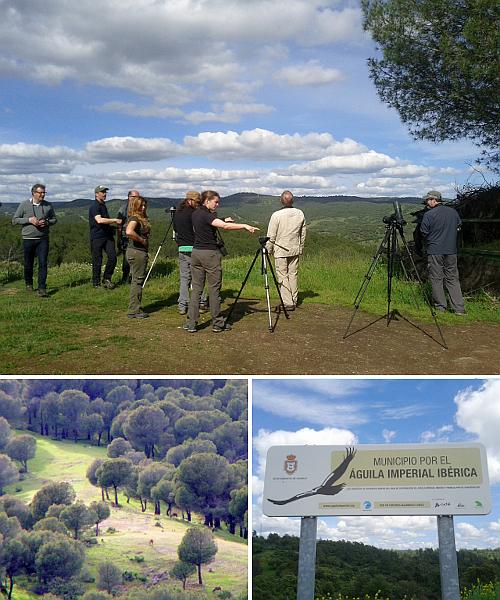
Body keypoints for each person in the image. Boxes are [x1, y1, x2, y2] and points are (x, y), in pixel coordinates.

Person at [184, 190, 259, 333]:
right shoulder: (207, 215)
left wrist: (223, 219)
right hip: (210, 254)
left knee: (196, 289)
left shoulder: (195, 214)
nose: (217, 205)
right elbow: (223, 226)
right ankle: (218, 323)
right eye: (215, 202)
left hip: (196, 253)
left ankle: (191, 322)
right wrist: (244, 226)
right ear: (207, 201)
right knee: (214, 289)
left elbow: (209, 223)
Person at [420, 190, 465, 315]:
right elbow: (459, 226)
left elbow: (423, 232)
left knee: (436, 278)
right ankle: (459, 308)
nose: (426, 203)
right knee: (452, 278)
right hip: (451, 250)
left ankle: (441, 307)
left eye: (428, 200)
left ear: (434, 200)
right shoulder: (453, 212)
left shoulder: (429, 215)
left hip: (435, 250)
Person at [12, 183, 57, 297]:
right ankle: (29, 283)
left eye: (44, 192)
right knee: (28, 263)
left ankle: (42, 288)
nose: (43, 195)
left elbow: (54, 219)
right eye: (40, 192)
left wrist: (46, 222)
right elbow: (15, 220)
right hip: (28, 239)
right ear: (33, 193)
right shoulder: (24, 204)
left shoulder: (48, 205)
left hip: (43, 239)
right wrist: (29, 220)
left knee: (43, 263)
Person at [266, 190, 306, 311]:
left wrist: (268, 249)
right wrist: (301, 247)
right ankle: (294, 299)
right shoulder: (300, 213)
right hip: (294, 248)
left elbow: (271, 235)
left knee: (282, 275)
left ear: (281, 201)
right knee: (293, 274)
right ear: (292, 201)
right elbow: (303, 233)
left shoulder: (276, 215)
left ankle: (288, 302)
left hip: (280, 250)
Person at [173, 191, 208, 315]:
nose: (198, 204)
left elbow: (175, 229)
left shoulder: (177, 213)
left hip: (182, 248)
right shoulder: (194, 213)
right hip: (195, 247)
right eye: (197, 202)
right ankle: (201, 302)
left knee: (184, 278)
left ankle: (182, 304)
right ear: (191, 201)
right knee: (198, 277)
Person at [89, 185, 121, 289]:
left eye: (105, 192)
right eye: (102, 192)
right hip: (97, 237)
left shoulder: (103, 205)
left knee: (112, 257)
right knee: (97, 260)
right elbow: (99, 220)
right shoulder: (95, 206)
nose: (105, 194)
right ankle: (96, 283)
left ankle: (107, 278)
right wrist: (115, 220)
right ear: (96, 194)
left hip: (107, 236)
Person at [125, 196, 151, 318]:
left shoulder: (138, 218)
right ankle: (134, 310)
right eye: (141, 205)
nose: (143, 208)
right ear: (135, 206)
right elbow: (129, 231)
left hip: (135, 252)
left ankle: (134, 307)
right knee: (138, 281)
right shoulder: (135, 218)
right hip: (137, 252)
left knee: (136, 280)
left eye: (145, 205)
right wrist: (141, 240)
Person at [116, 189, 141, 284]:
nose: (137, 199)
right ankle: (125, 278)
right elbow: (119, 224)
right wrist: (119, 239)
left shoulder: (139, 208)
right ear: (129, 197)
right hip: (126, 236)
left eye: (138, 197)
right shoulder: (123, 208)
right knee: (127, 257)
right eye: (135, 197)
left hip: (137, 235)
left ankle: (136, 276)